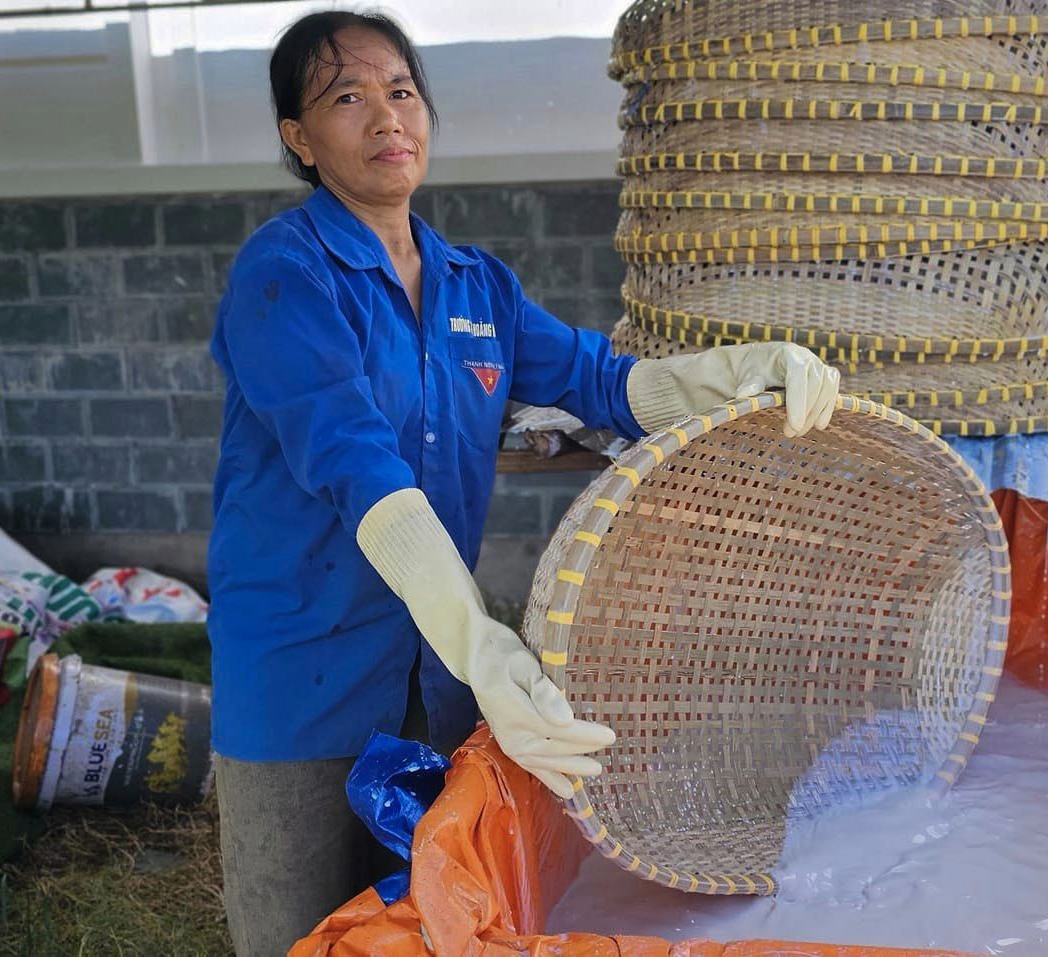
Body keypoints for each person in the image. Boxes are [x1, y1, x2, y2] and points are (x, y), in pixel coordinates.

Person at [207, 10, 841, 954]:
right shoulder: (287, 276)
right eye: (346, 97)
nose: (387, 118)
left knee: (432, 922)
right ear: (299, 140)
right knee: (293, 930)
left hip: (439, 677)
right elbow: (355, 461)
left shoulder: (475, 288)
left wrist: (739, 369)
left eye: (402, 91)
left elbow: (602, 382)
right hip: (301, 675)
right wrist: (485, 645)